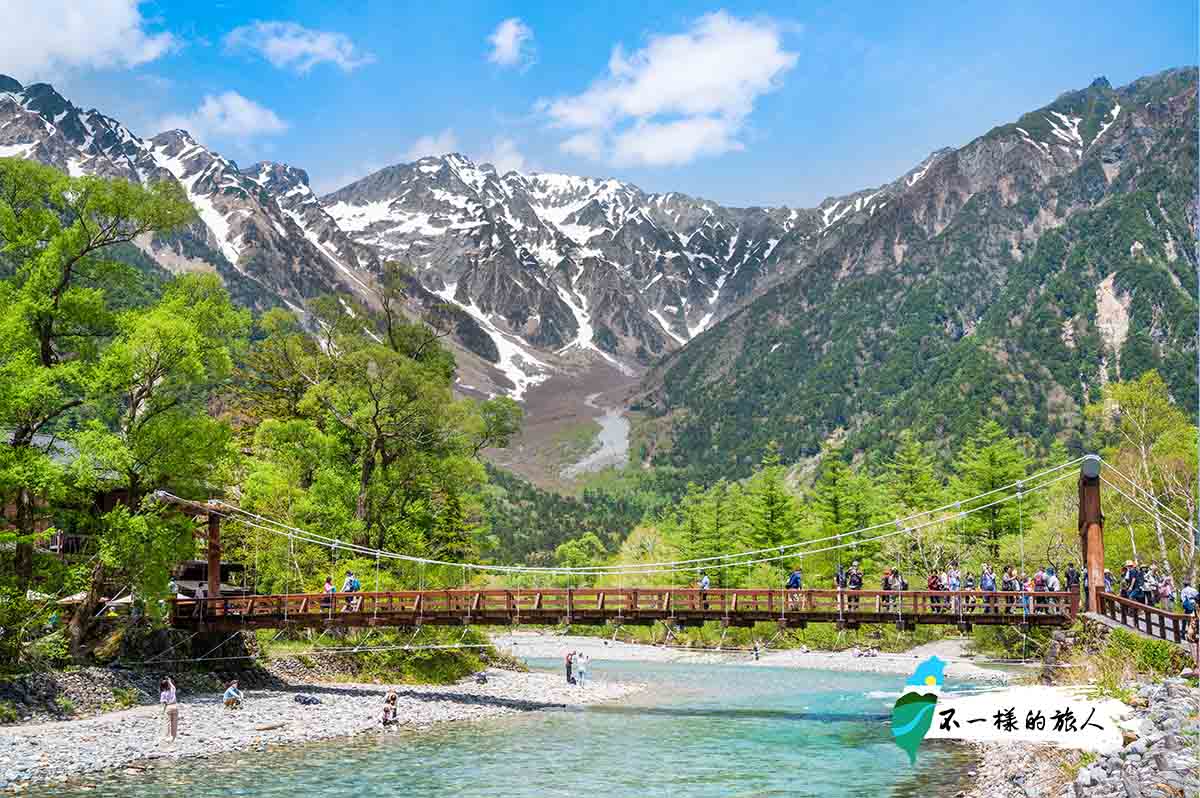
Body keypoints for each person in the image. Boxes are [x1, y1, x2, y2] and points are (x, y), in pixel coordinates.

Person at [160, 677, 178, 742]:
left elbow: (164, 703)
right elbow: (173, 687)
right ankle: (173, 737)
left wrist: (163, 711)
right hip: (175, 706)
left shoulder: (163, 693)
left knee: (167, 722)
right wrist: (169, 681)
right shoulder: (172, 690)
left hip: (168, 707)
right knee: (174, 722)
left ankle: (166, 736)